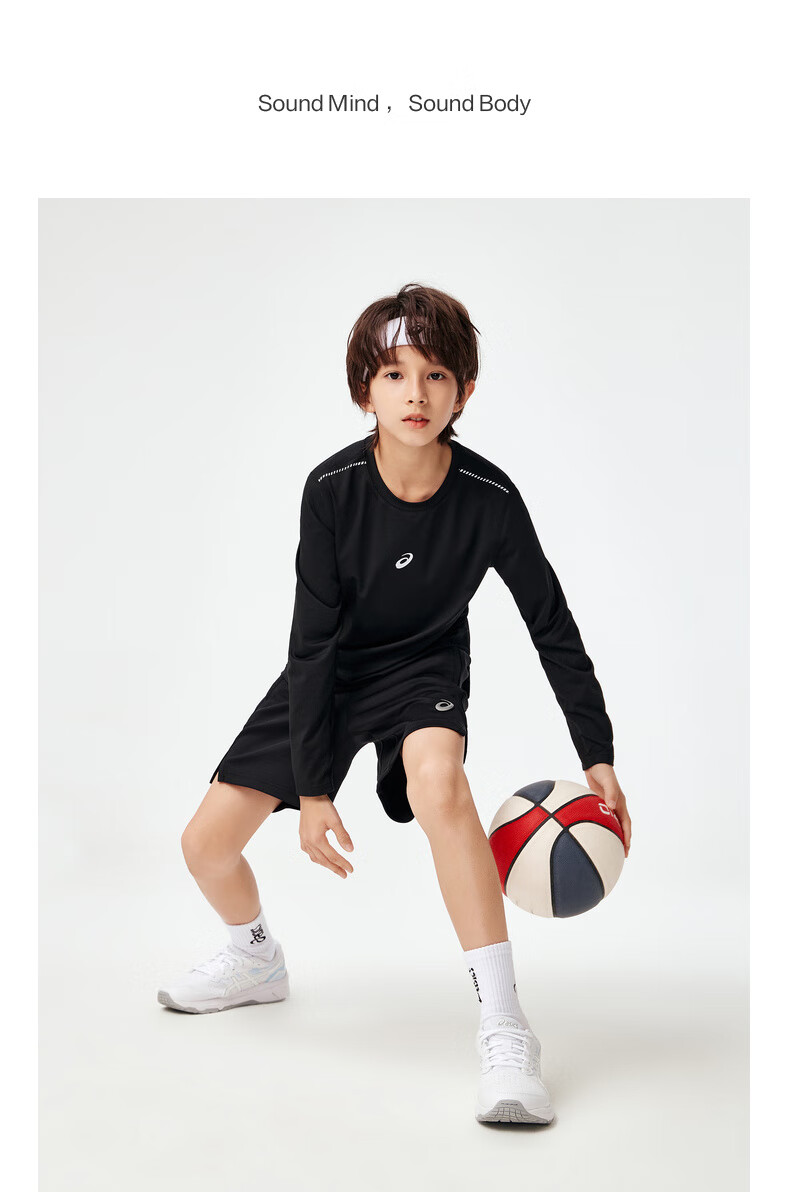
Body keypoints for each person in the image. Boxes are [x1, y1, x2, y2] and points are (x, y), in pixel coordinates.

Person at [157, 282, 632, 1125]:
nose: (416, 394)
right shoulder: (331, 488)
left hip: (424, 665)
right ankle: (255, 958)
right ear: (364, 391)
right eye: (394, 374)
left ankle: (506, 1025)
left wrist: (597, 754)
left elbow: (551, 625)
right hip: (332, 671)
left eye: (436, 374)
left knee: (440, 783)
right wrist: (313, 790)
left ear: (465, 391)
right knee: (204, 847)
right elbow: (311, 645)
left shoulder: (489, 499)